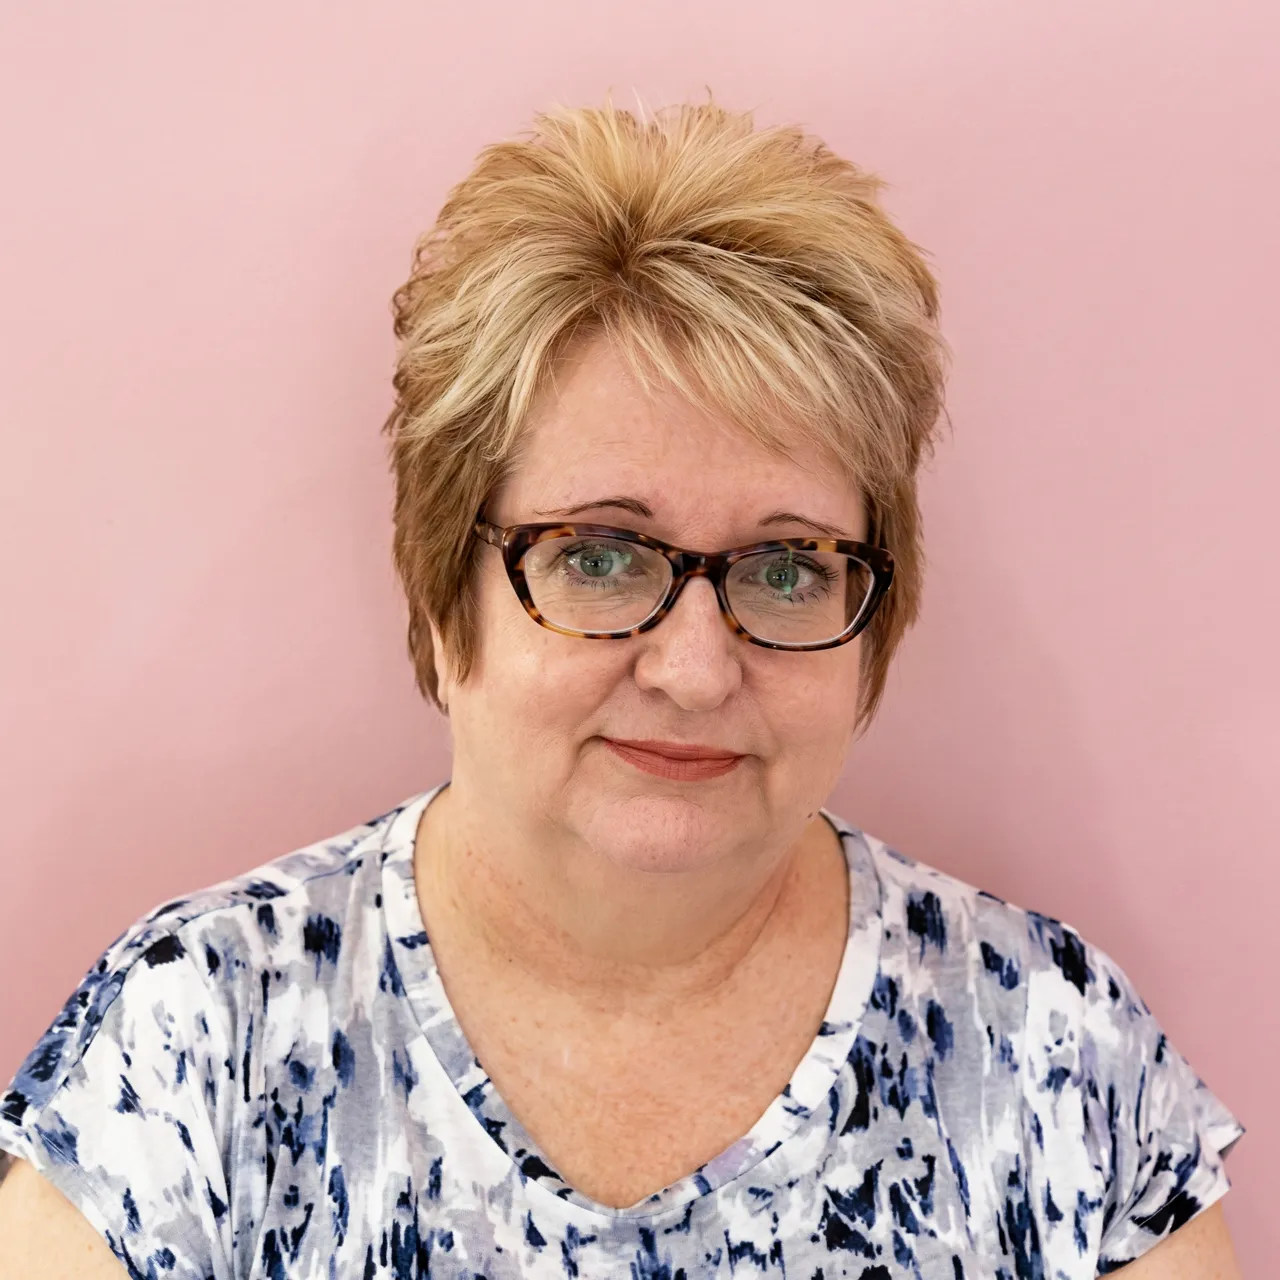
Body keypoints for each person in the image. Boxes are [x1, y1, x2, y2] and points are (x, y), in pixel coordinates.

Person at [0, 100, 1244, 1279]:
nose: (694, 670)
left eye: (786, 568)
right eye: (598, 555)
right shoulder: (196, 1039)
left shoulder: (1053, 1055)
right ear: (441, 588)